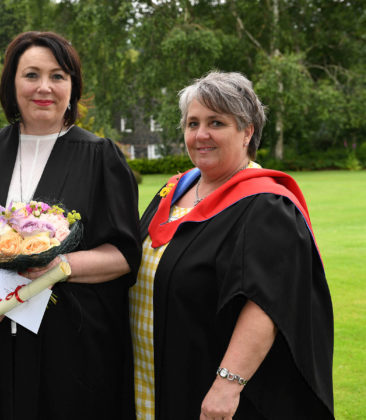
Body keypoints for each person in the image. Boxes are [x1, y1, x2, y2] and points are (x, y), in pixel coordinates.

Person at [0, 31, 141, 420]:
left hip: (76, 348)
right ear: (11, 83)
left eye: (58, 76)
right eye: (31, 75)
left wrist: (57, 269)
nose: (44, 88)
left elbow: (123, 255)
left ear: (73, 86)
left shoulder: (101, 158)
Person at [129, 71, 334, 419]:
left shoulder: (266, 206)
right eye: (192, 123)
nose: (201, 134)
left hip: (209, 391)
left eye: (217, 123)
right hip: (149, 378)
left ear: (247, 131)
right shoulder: (174, 190)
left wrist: (227, 385)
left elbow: (269, 302)